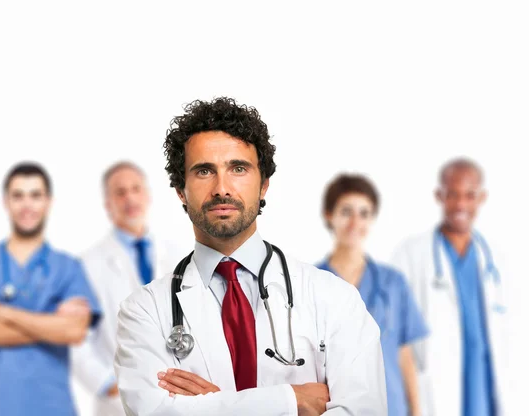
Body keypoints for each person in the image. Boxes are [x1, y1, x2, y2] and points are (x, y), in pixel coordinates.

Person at [113, 97, 388, 415]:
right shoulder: (144, 311)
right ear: (180, 191)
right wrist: (290, 401)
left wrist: (213, 405)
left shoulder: (335, 299)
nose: (221, 188)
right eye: (204, 171)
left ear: (264, 186)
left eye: (238, 169)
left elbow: (364, 411)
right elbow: (153, 412)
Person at [0, 162, 102, 416]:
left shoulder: (68, 267)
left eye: (35, 195)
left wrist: (3, 312)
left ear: (48, 202)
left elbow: (74, 330)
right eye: (18, 196)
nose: (27, 205)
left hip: (51, 406)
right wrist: (53, 324)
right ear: (6, 202)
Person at [391, 158, 509, 416]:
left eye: (469, 195)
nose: (461, 204)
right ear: (439, 195)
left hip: (487, 395)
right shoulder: (411, 255)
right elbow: (396, 337)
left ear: (482, 198)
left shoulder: (496, 259)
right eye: (452, 195)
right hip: (433, 394)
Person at [72, 161, 183, 416]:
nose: (129, 197)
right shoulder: (86, 266)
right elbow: (75, 341)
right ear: (107, 205)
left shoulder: (177, 255)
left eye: (135, 188)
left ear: (148, 195)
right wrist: (108, 385)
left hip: (177, 400)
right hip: (118, 405)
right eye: (120, 192)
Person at [315, 174, 428, 416]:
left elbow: (404, 356)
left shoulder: (393, 283)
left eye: (364, 213)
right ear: (329, 215)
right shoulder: (311, 283)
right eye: (346, 212)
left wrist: (417, 411)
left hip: (391, 407)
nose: (355, 222)